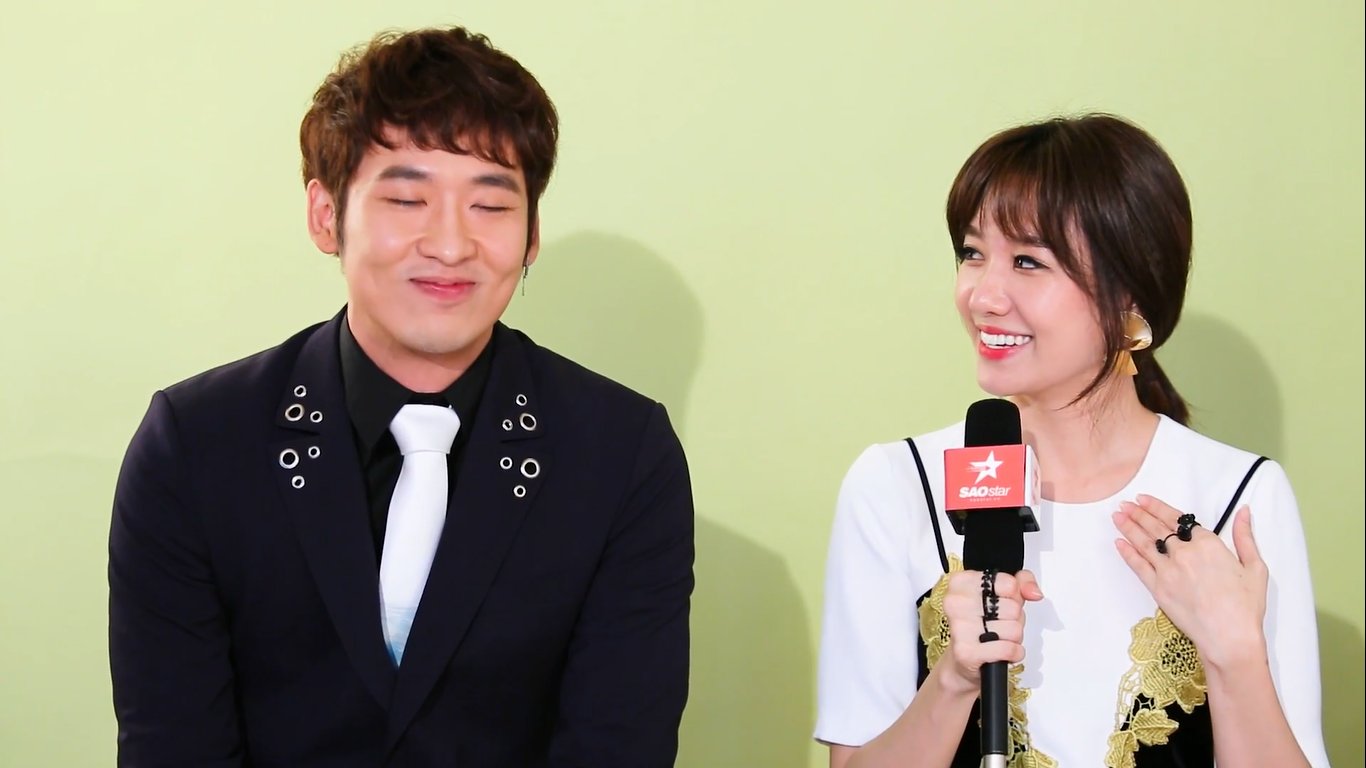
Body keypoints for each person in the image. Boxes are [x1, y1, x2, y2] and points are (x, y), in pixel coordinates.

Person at [108, 26, 693, 767]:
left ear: (531, 233)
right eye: (407, 199)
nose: (450, 245)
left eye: (490, 206)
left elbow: (618, 747)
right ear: (326, 215)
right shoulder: (196, 445)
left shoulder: (620, 454)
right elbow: (173, 745)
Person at [814, 114, 1329, 767]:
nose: (983, 296)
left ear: (1130, 294)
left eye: (1028, 261)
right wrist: (954, 679)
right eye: (972, 253)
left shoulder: (1239, 498)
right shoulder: (896, 484)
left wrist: (1235, 655)